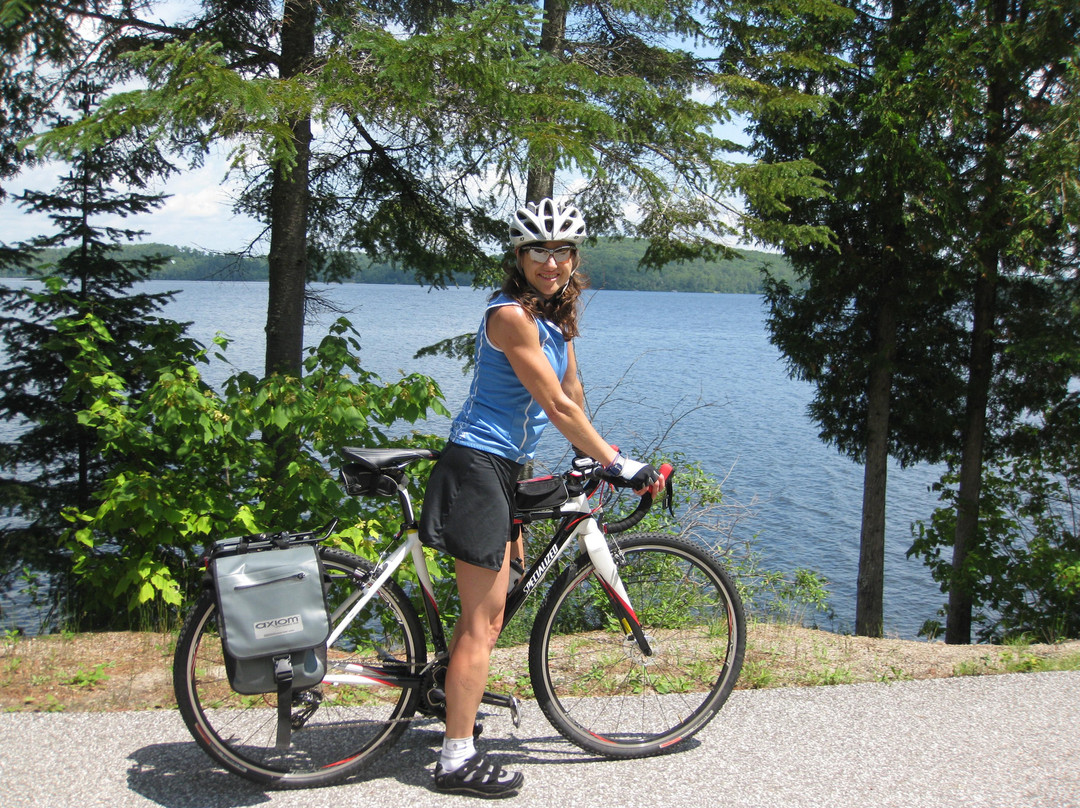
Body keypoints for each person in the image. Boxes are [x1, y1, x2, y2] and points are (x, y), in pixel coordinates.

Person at [418, 198, 665, 798]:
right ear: (519, 257)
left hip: (504, 469)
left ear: (572, 257)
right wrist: (616, 462)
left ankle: (446, 696)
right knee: (487, 617)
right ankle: (454, 760)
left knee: (495, 601)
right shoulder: (509, 317)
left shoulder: (556, 319)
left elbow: (571, 391)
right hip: (476, 467)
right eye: (538, 251)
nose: (550, 263)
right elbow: (553, 406)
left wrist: (588, 455)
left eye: (561, 251)